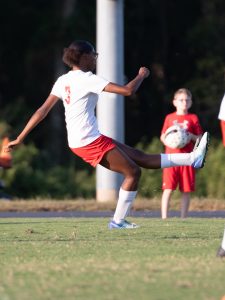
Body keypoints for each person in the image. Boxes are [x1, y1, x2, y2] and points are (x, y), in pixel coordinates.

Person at [4, 40, 209, 229]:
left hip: (85, 139)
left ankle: (193, 158)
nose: (95, 58)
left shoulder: (63, 80)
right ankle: (118, 221)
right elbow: (128, 91)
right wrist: (142, 75)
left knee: (141, 158)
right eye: (94, 54)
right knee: (133, 172)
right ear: (83, 57)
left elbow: (42, 110)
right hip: (88, 141)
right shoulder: (88, 79)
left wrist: (21, 137)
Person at [160, 88, 203, 219]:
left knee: (186, 190)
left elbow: (200, 138)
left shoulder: (193, 118)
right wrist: (171, 141)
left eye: (187, 100)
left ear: (190, 102)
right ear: (175, 102)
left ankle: (183, 218)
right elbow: (163, 136)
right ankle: (164, 218)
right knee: (168, 189)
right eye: (181, 100)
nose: (184, 102)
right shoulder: (169, 118)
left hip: (187, 158)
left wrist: (190, 136)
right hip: (171, 158)